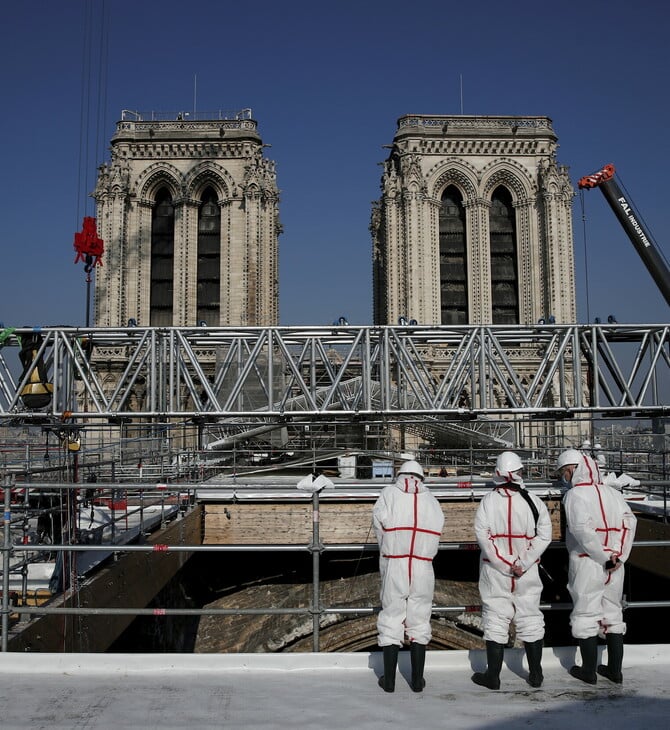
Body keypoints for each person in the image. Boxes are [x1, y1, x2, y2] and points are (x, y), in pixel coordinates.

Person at [471, 451, 552, 690]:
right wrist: (523, 562)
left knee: (495, 618)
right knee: (531, 617)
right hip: (526, 571)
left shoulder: (488, 501)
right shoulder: (533, 501)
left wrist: (504, 564)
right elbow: (545, 534)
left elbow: (483, 537)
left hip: (495, 571)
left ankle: (493, 676)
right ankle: (536, 674)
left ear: (497, 473)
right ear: (520, 472)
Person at [557, 448, 638, 685]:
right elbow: (629, 523)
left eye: (564, 472)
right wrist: (619, 556)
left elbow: (582, 530)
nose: (564, 476)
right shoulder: (612, 493)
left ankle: (588, 671)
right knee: (613, 613)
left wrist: (602, 557)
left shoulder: (574, 496)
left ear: (572, 470)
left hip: (587, 562)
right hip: (616, 564)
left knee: (585, 614)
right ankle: (615, 670)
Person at [373, 459, 444, 693]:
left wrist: (388, 552)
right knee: (420, 618)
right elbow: (438, 529)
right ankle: (417, 681)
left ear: (400, 475)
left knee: (392, 616)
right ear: (421, 477)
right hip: (423, 565)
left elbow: (379, 526)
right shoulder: (432, 500)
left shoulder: (388, 493)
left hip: (395, 562)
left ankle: (390, 681)